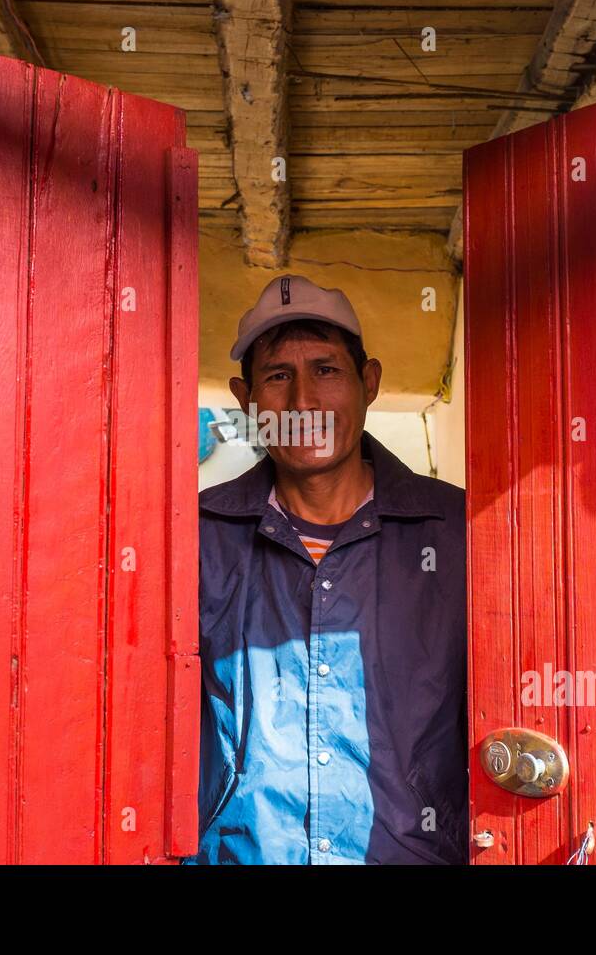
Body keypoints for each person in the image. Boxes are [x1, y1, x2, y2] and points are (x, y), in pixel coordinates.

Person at [191, 274, 468, 864]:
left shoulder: (460, 534)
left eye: (326, 370)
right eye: (277, 377)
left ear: (368, 383)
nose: (302, 403)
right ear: (245, 400)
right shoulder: (197, 537)